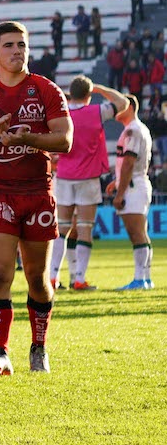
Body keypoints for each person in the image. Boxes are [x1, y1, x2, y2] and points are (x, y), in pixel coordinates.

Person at [0, 21, 72, 376]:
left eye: (22, 45)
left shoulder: (46, 89)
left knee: (37, 279)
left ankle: (38, 347)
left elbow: (64, 140)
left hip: (38, 194)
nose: (17, 51)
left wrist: (29, 139)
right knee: (1, 273)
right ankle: (0, 351)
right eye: (9, 45)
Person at [51, 76, 131, 291]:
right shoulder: (96, 111)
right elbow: (124, 103)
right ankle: (78, 279)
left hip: (65, 176)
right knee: (85, 228)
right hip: (88, 178)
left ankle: (52, 277)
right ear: (89, 94)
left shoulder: (62, 112)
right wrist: (102, 89)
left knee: (61, 228)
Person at [109, 95, 154, 289]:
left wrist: (120, 193)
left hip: (133, 186)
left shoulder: (133, 131)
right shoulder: (135, 129)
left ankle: (139, 279)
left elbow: (129, 162)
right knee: (140, 233)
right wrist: (116, 181)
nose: (117, 110)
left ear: (130, 108)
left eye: (122, 106)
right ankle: (146, 278)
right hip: (136, 183)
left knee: (136, 233)